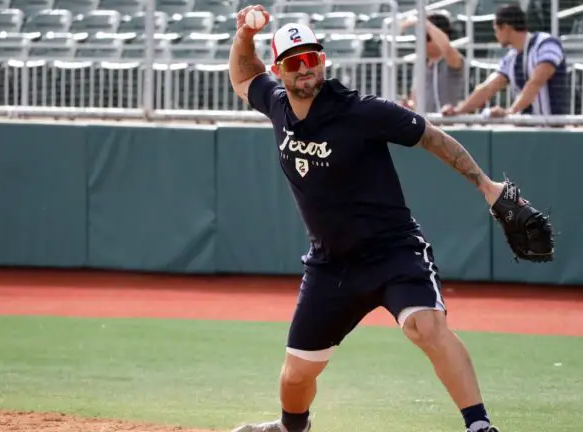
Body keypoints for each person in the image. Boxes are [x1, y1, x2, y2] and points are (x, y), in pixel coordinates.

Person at [227, 5, 552, 432]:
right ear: (280, 70)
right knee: (297, 374)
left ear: (322, 60)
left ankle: (479, 426)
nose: (304, 69)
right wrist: (244, 36)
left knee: (426, 327)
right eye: (294, 62)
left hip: (392, 252)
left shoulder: (360, 111)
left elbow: (433, 138)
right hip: (331, 265)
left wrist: (487, 186)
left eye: (311, 58)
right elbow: (242, 76)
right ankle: (291, 427)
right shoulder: (276, 104)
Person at [441, 4, 569, 118]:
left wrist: (510, 112)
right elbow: (487, 88)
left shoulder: (546, 43)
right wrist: (458, 111)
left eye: (496, 30)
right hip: (528, 129)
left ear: (506, 27)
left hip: (553, 128)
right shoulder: (511, 57)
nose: (495, 35)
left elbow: (536, 81)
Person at [399, 10, 467, 114]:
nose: (421, 41)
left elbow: (445, 46)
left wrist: (422, 22)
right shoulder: (420, 65)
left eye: (426, 37)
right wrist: (407, 106)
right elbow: (414, 101)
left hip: (450, 125)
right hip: (426, 127)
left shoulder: (452, 59)